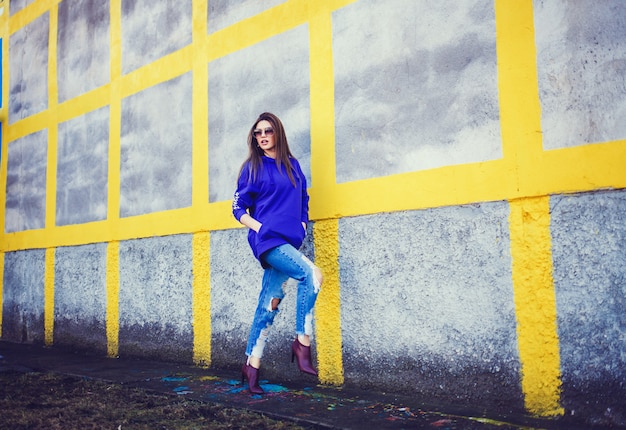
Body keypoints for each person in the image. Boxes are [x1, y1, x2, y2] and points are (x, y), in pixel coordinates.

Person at [232, 112, 323, 394]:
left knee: (269, 303)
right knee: (313, 275)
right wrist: (262, 228)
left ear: (277, 133)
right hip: (269, 242)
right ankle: (302, 344)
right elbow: (237, 209)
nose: (262, 137)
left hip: (290, 241)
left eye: (267, 131)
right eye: (257, 133)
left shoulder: (292, 166)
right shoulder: (252, 167)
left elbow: (303, 198)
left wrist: (303, 224)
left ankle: (252, 365)